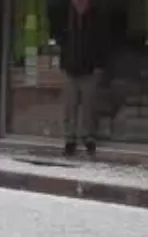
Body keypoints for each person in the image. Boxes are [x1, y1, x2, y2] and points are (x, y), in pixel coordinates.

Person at [50, 0, 111, 157]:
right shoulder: (64, 12)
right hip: (70, 67)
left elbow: (103, 41)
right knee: (70, 106)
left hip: (90, 68)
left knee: (89, 107)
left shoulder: (97, 14)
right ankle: (70, 140)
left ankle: (88, 138)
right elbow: (58, 37)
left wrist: (99, 65)